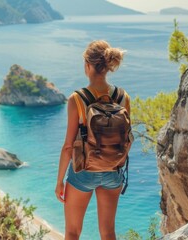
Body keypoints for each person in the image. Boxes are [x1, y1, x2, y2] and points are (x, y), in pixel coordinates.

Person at [55, 40, 131, 240]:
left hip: (83, 172)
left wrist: (60, 181)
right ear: (107, 66)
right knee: (108, 233)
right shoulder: (123, 97)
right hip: (113, 172)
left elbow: (68, 146)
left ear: (88, 65)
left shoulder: (77, 98)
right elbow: (127, 139)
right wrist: (114, 162)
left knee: (72, 232)